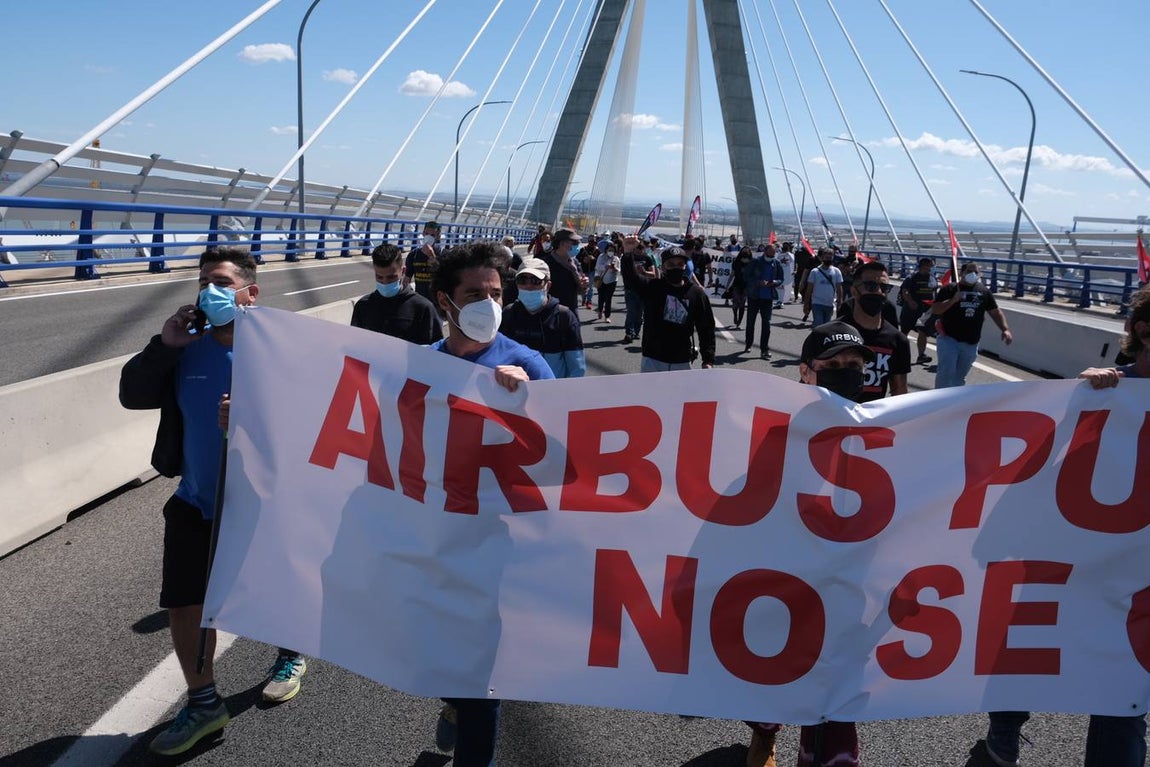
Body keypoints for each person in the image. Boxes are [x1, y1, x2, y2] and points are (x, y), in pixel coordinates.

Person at [119, 248, 308, 756]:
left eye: (221, 281)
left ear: (251, 292)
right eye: (203, 282)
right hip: (196, 498)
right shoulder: (185, 344)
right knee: (184, 603)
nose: (209, 291)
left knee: (272, 591)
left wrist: (254, 422)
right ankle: (204, 703)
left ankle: (289, 653)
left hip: (261, 502)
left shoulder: (280, 349)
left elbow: (314, 428)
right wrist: (164, 345)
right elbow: (133, 395)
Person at [428, 242, 555, 767]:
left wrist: (534, 401)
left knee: (483, 675)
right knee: (439, 653)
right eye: (475, 294)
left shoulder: (527, 365)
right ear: (445, 302)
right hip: (435, 541)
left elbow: (563, 456)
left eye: (496, 294)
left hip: (499, 547)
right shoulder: (421, 367)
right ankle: (455, 700)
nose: (489, 303)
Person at [745, 320, 876, 767]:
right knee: (774, 672)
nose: (846, 371)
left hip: (848, 585)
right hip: (785, 578)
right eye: (833, 364)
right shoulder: (775, 428)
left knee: (835, 694)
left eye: (855, 363)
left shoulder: (890, 425)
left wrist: (1094, 399)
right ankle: (764, 735)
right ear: (806, 372)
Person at [630, 242, 716, 371]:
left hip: (682, 360)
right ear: (663, 268)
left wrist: (708, 359)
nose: (676, 268)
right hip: (653, 359)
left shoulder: (696, 294)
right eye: (670, 265)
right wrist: (627, 254)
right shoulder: (653, 288)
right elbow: (631, 280)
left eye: (680, 264)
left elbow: (706, 328)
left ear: (685, 267)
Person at [498, 258, 585, 378]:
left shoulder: (564, 316)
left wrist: (567, 394)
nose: (528, 286)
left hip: (551, 392)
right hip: (515, 392)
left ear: (548, 285)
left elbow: (576, 368)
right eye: (522, 280)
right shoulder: (508, 313)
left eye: (536, 281)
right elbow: (499, 355)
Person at [931, 261, 1013, 388]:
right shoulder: (950, 289)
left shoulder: (984, 291)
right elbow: (936, 309)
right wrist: (953, 300)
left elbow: (995, 312)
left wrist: (1005, 329)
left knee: (960, 376)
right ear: (962, 273)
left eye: (976, 272)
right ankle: (939, 401)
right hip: (949, 339)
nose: (973, 274)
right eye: (969, 271)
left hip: (971, 342)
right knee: (946, 372)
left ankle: (956, 401)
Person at [839, 261, 910, 401]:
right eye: (871, 286)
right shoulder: (829, 334)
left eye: (884, 287)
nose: (878, 292)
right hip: (833, 419)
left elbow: (899, 390)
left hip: (871, 420)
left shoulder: (898, 341)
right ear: (854, 291)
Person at [350, 243, 443, 344]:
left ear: (403, 271)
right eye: (379, 277)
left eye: (391, 277)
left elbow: (435, 352)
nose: (385, 282)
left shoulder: (423, 309)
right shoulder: (363, 306)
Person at [742, 244, 784, 359]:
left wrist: (773, 282)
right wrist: (758, 282)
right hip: (754, 297)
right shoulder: (755, 261)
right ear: (765, 251)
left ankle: (764, 349)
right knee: (750, 322)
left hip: (768, 298)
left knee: (767, 324)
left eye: (774, 252)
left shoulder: (776, 263)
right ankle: (748, 344)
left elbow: (781, 279)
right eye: (771, 251)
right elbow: (746, 276)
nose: (773, 254)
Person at [898, 257, 938, 365]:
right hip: (911, 310)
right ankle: (897, 354)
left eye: (931, 266)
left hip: (925, 311)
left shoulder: (933, 278)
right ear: (922, 266)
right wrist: (910, 301)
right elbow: (905, 291)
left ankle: (921, 355)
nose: (930, 268)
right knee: (904, 332)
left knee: (923, 332)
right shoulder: (911, 278)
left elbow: (934, 292)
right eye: (929, 266)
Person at [621, 233, 657, 344]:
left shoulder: (648, 258)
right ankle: (629, 332)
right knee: (631, 311)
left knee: (639, 313)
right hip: (630, 289)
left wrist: (644, 272)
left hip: (644, 289)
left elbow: (653, 274)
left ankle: (636, 332)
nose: (639, 251)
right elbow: (624, 271)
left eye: (641, 248)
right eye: (637, 248)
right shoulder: (628, 257)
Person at [541, 228, 588, 313]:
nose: (577, 246)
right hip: (552, 312)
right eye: (574, 243)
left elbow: (580, 289)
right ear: (562, 243)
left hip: (571, 310)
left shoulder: (574, 262)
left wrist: (584, 284)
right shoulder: (546, 264)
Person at [803, 248, 843, 327]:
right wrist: (806, 304)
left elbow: (839, 289)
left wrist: (839, 304)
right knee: (818, 324)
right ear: (822, 258)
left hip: (829, 304)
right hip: (817, 303)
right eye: (826, 258)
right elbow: (809, 290)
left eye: (830, 258)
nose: (828, 259)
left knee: (826, 327)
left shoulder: (836, 271)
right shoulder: (815, 272)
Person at [403, 220, 443, 302]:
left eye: (432, 235)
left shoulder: (443, 254)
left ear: (438, 237)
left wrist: (432, 257)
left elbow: (445, 277)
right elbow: (406, 280)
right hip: (420, 301)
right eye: (427, 234)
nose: (429, 237)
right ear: (423, 233)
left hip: (438, 303)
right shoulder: (413, 255)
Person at [727, 247, 753, 330]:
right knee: (735, 304)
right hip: (737, 285)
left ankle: (739, 322)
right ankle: (735, 315)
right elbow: (732, 274)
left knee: (742, 304)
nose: (745, 260)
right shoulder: (736, 262)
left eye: (747, 258)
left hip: (746, 286)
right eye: (744, 257)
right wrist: (727, 285)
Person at [776, 242, 796, 307]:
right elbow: (776, 261)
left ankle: (781, 301)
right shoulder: (779, 254)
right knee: (779, 287)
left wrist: (788, 254)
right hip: (780, 272)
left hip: (787, 273)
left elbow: (793, 262)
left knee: (783, 287)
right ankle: (780, 300)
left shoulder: (790, 254)